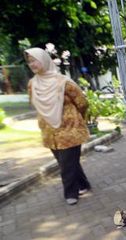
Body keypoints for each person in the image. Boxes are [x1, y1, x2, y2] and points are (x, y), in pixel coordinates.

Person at [24, 47, 91, 205]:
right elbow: (35, 103)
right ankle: (83, 184)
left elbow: (82, 102)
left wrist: (76, 117)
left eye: (35, 60)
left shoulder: (64, 82)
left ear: (45, 60)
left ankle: (71, 194)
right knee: (66, 161)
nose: (32, 64)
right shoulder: (32, 84)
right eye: (29, 61)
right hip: (49, 131)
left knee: (67, 163)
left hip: (70, 129)